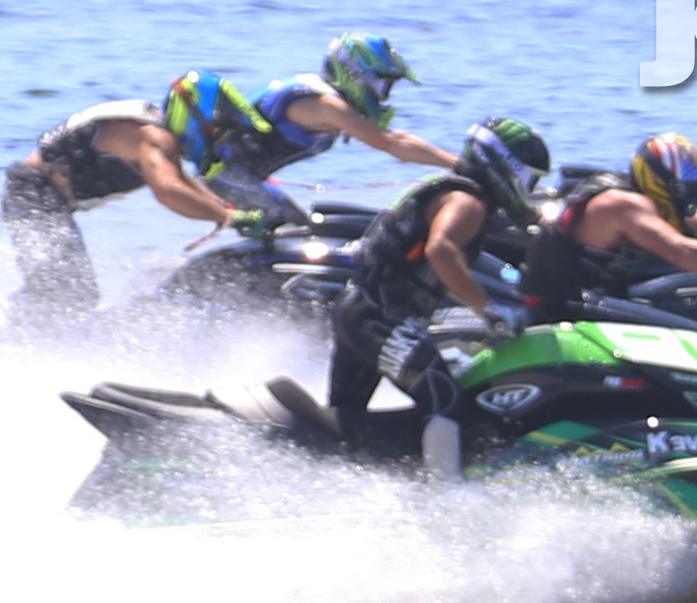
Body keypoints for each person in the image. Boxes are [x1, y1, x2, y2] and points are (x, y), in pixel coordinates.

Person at [326, 117, 549, 458]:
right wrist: (488, 309)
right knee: (444, 398)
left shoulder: (452, 190)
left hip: (358, 309)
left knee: (347, 414)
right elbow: (441, 250)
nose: (529, 190)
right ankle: (446, 487)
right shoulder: (467, 202)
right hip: (381, 319)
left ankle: (331, 464)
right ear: (508, 168)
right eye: (530, 180)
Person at [2, 98, 263, 322]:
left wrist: (226, 208)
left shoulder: (154, 134)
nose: (216, 139)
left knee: (67, 291)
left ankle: (19, 327)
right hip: (33, 195)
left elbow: (183, 181)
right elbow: (168, 190)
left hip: (40, 197)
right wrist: (226, 217)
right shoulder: (153, 137)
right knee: (68, 294)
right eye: (216, 131)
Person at [182, 33, 460, 225]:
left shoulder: (328, 101)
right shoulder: (328, 105)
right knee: (293, 228)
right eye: (382, 85)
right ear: (355, 75)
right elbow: (391, 143)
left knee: (303, 226)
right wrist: (461, 164)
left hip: (240, 180)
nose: (383, 95)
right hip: (227, 180)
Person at [520, 132, 697, 323]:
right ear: (668, 185)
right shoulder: (624, 204)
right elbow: (680, 250)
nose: (689, 207)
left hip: (596, 296)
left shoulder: (639, 197)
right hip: (564, 310)